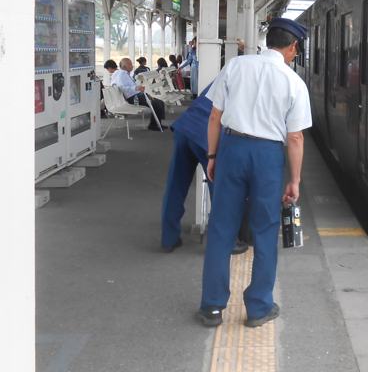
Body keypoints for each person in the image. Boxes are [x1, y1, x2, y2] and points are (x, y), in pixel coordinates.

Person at [197, 18, 311, 328]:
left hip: (232, 148)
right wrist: (295, 180)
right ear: (292, 47)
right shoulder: (294, 82)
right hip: (267, 156)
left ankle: (212, 307)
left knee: (222, 227)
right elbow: (296, 138)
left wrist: (212, 155)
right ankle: (259, 307)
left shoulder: (236, 66)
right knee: (264, 229)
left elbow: (215, 116)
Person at [159, 82, 251, 255]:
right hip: (206, 135)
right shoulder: (248, 84)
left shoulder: (224, 77)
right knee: (221, 191)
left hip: (185, 128)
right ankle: (226, 242)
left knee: (175, 185)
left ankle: (168, 239)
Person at [104, 58, 166, 131]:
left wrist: (138, 87)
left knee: (159, 102)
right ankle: (154, 125)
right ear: (124, 66)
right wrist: (136, 88)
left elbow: (129, 85)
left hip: (136, 95)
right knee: (156, 103)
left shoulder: (124, 74)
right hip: (133, 97)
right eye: (130, 64)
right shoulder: (121, 74)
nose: (132, 66)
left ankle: (158, 123)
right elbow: (121, 87)